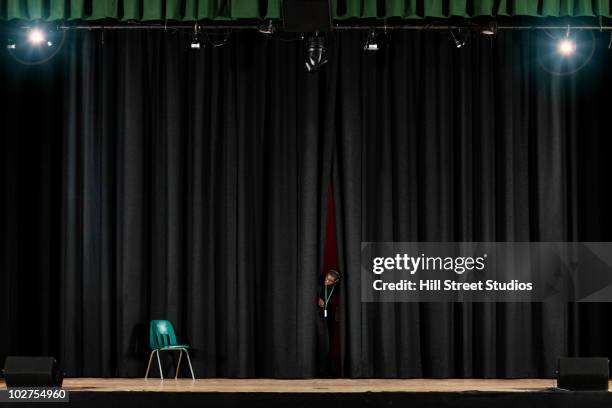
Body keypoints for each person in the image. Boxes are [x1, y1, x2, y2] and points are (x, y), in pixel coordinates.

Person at [316, 269, 340, 377]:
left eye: (330, 281)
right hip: (318, 315)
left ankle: (325, 368)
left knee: (328, 341)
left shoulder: (336, 289)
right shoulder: (319, 283)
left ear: (335, 282)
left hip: (329, 315)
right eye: (327, 278)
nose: (327, 281)